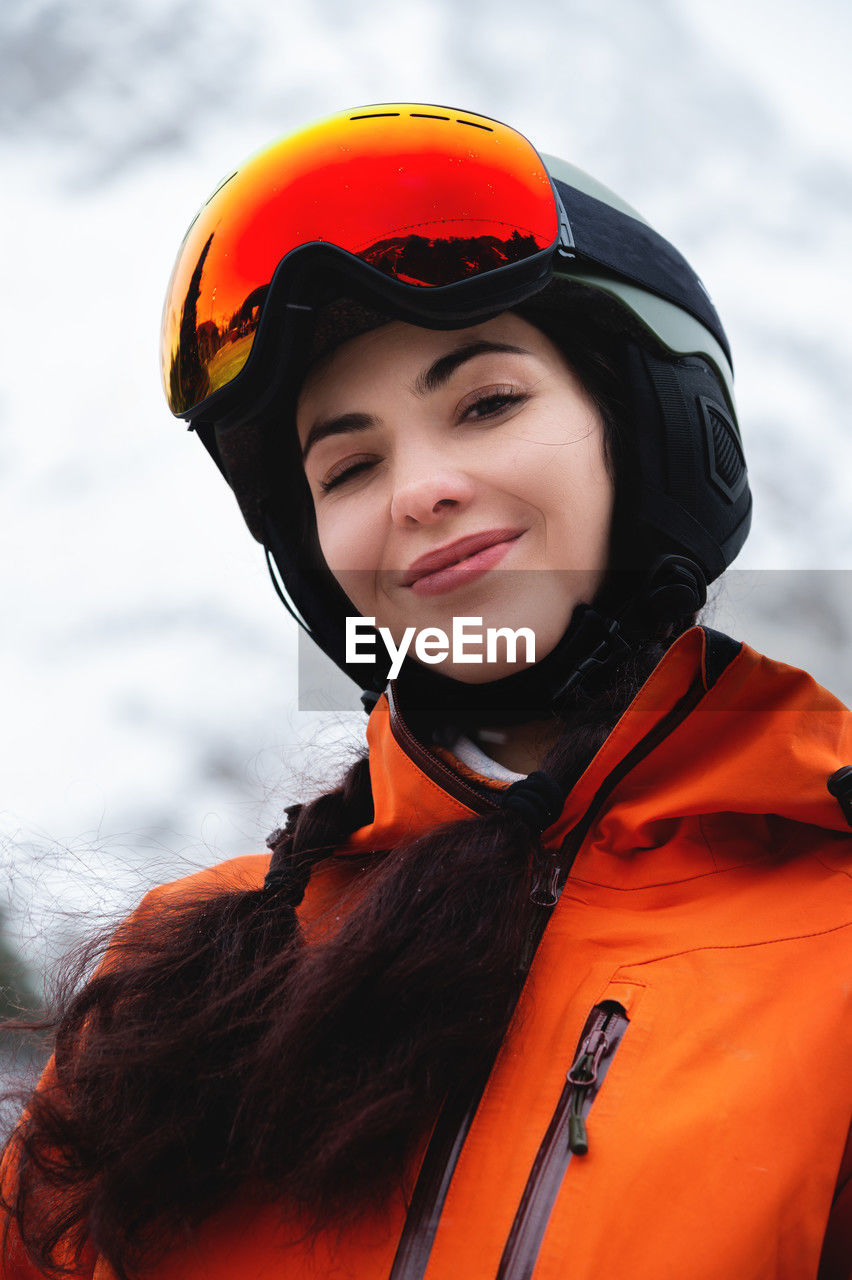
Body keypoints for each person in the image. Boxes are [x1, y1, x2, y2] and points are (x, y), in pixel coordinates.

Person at [2, 103, 850, 1280]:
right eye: (349, 464)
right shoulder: (182, 976)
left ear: (650, 426)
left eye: (487, 402)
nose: (421, 490)